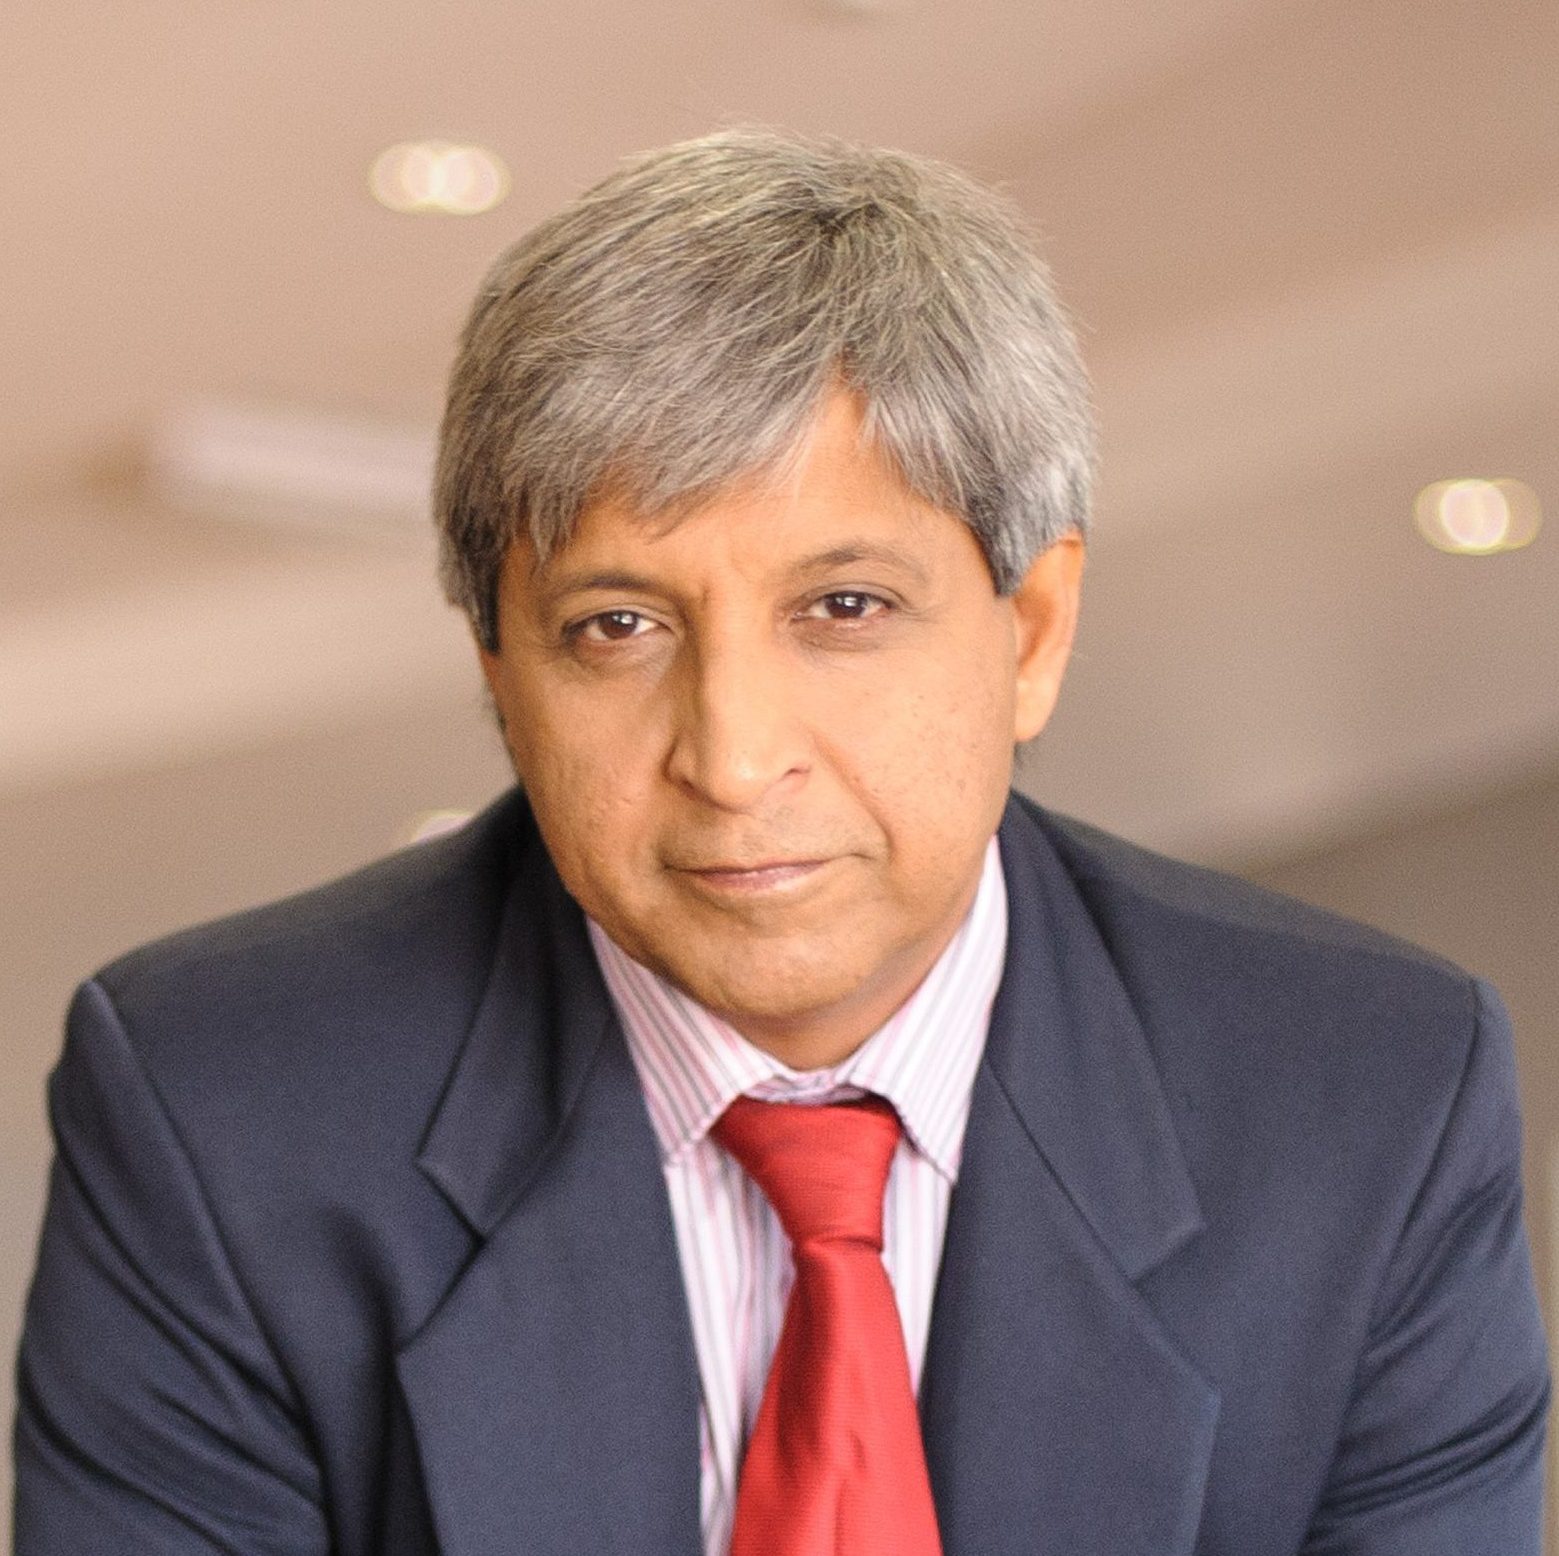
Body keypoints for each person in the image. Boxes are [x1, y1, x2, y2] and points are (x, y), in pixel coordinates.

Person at [12, 128, 1549, 1556]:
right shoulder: (220, 1108)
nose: (734, 760)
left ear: (1031, 629)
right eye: (616, 627)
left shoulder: (1369, 1097)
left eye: (844, 607)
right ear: (498, 672)